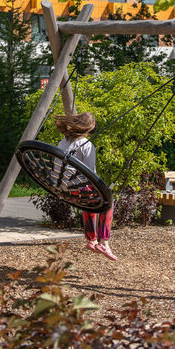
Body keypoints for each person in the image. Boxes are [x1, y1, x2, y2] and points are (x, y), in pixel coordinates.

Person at [54, 112, 116, 261]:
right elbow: (91, 175)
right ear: (89, 128)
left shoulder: (63, 142)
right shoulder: (86, 145)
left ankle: (92, 239)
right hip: (77, 190)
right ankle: (103, 242)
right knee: (108, 201)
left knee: (90, 200)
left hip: (61, 188)